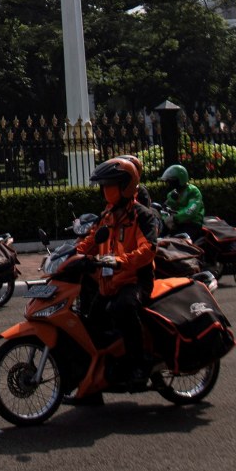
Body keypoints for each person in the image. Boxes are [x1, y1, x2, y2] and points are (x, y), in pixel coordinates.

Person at [77, 156, 158, 389]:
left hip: (135, 280)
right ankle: (99, 378)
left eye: (108, 185)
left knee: (124, 308)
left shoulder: (141, 215)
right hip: (109, 281)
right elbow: (91, 240)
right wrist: (71, 255)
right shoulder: (108, 214)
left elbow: (149, 249)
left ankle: (139, 363)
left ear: (124, 186)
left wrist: (120, 261)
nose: (105, 190)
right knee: (92, 321)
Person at [160, 164, 205, 241]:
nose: (168, 184)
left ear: (179, 180)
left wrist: (175, 218)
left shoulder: (193, 191)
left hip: (192, 224)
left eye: (170, 181)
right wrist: (166, 219)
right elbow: (165, 209)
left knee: (183, 241)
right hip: (176, 224)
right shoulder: (171, 194)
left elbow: (191, 211)